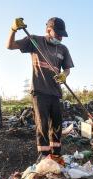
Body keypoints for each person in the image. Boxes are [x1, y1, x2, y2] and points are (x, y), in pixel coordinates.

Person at [6, 17, 74, 164]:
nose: (61, 38)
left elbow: (67, 69)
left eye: (63, 35)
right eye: (58, 34)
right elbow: (10, 45)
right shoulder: (34, 41)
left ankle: (56, 154)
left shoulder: (63, 49)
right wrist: (13, 30)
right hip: (39, 91)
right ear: (48, 30)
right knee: (42, 124)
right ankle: (44, 155)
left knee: (56, 125)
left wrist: (64, 75)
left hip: (55, 92)